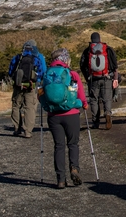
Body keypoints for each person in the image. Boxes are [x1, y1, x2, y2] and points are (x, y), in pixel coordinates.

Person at [40, 48, 87, 189]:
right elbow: (80, 94)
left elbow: (41, 94)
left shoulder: (47, 75)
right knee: (73, 144)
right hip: (71, 114)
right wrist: (84, 104)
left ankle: (60, 179)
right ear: (66, 60)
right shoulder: (72, 74)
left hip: (53, 116)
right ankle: (74, 168)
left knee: (58, 146)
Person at [7, 40, 46, 137]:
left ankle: (17, 128)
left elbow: (11, 72)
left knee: (16, 106)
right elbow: (41, 73)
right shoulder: (36, 58)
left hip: (18, 86)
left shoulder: (17, 58)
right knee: (30, 108)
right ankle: (28, 131)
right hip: (31, 86)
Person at [80, 32, 118, 129]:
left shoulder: (87, 51)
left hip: (93, 79)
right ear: (100, 39)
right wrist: (115, 79)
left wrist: (87, 77)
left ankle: (95, 122)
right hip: (106, 78)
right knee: (107, 98)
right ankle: (108, 114)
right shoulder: (108, 49)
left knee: (94, 100)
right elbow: (115, 66)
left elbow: (82, 65)